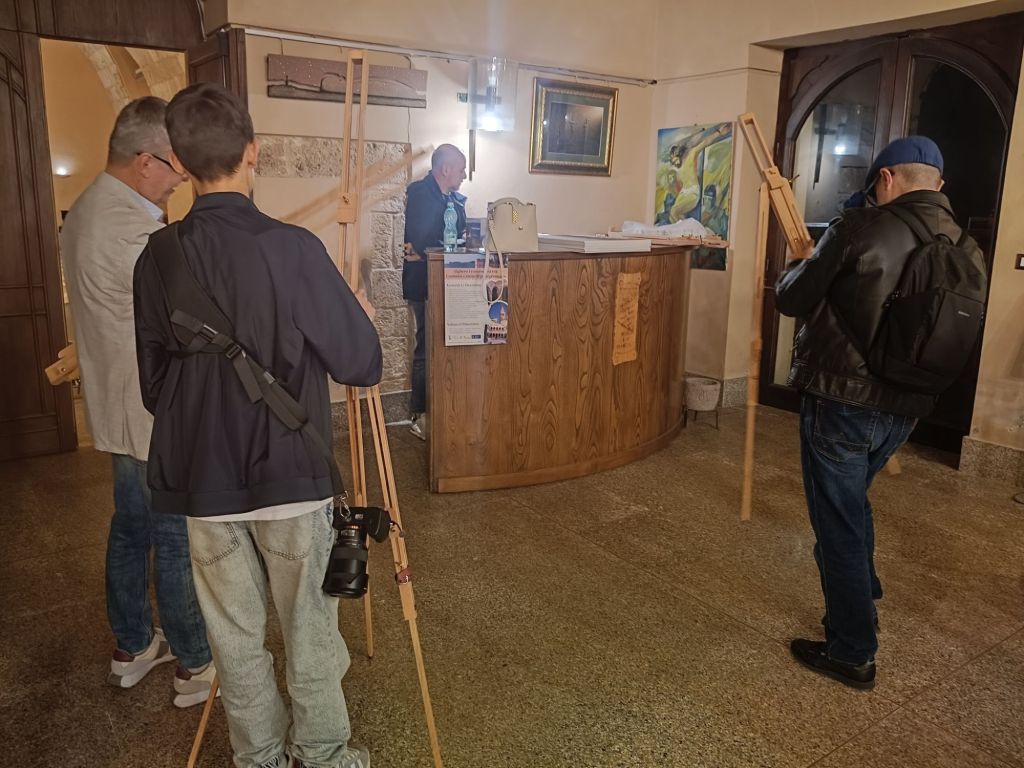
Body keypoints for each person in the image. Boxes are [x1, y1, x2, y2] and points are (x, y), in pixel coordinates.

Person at [133, 83, 381, 768]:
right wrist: (356, 313)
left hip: (201, 481)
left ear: (179, 163)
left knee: (235, 641)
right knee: (310, 632)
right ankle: (323, 756)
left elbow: (156, 387)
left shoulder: (158, 257)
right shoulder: (292, 248)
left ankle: (260, 757)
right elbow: (360, 361)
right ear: (253, 151)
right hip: (291, 474)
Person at [776, 137, 985, 689]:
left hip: (842, 400)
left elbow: (792, 299)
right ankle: (862, 591)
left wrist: (798, 262)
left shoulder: (858, 227)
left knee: (836, 522)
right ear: (938, 184)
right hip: (910, 404)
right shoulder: (965, 244)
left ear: (886, 178)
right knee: (852, 502)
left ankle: (852, 650)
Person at [60, 96, 215, 707]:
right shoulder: (133, 230)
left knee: (130, 527)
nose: (180, 179)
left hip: (118, 400)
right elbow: (185, 317)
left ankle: (132, 645)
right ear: (146, 161)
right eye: (176, 166)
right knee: (172, 534)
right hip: (149, 404)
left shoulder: (88, 208)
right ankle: (195, 663)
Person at [402, 144, 467, 439]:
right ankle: (420, 415)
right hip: (424, 283)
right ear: (446, 169)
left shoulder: (451, 199)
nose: (464, 175)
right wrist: (437, 248)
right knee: (425, 348)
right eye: (461, 169)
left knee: (442, 347)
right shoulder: (421, 193)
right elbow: (420, 241)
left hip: (446, 281)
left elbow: (459, 234)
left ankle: (442, 409)